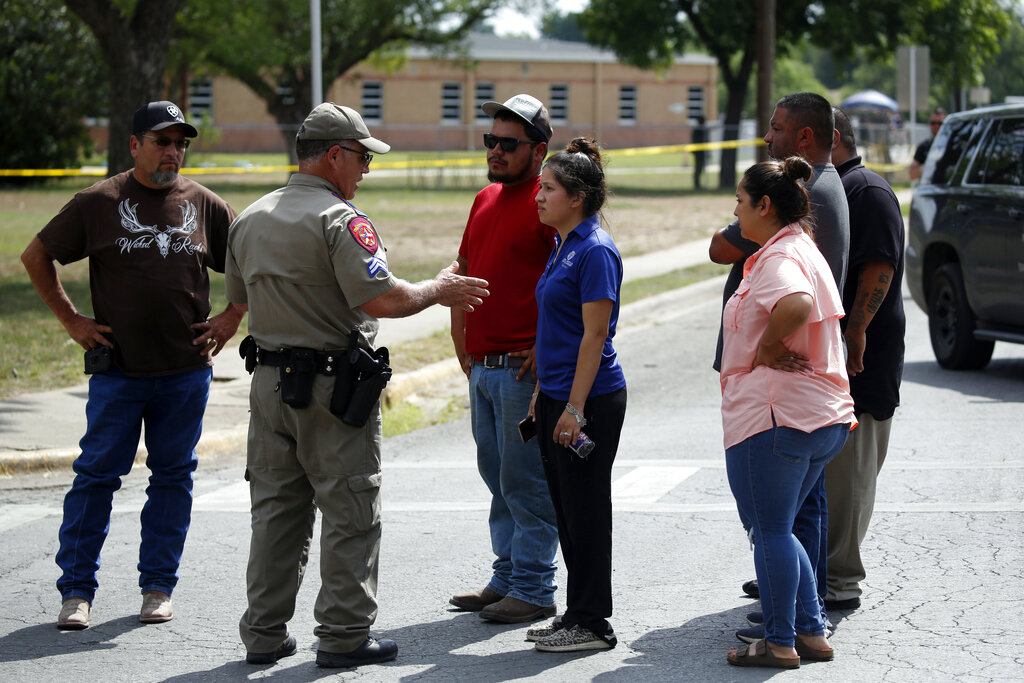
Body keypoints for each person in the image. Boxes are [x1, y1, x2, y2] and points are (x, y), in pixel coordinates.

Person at [225, 102, 489, 669]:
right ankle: (344, 636)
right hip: (331, 390)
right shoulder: (341, 221)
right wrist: (438, 289)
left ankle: (263, 634)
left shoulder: (249, 218)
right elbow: (384, 299)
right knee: (349, 509)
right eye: (363, 156)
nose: (366, 168)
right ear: (336, 155)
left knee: (275, 510)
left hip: (269, 385)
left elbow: (238, 300)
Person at [21, 100, 245, 630]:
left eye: (181, 142)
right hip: (119, 373)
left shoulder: (205, 204)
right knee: (96, 477)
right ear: (134, 145)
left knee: (172, 478)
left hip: (185, 372)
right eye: (162, 141)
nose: (173, 152)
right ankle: (76, 592)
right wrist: (74, 321)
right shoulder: (100, 202)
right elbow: (36, 255)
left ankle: (157, 587)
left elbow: (249, 261)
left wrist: (233, 315)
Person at [715, 92, 850, 639]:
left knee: (770, 530)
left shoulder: (780, 256)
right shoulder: (798, 243)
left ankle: (779, 639)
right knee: (789, 527)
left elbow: (795, 302)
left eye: (740, 203)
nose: (736, 212)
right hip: (819, 417)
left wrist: (769, 346)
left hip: (777, 419)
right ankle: (809, 628)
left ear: (764, 206)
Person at [448, 94, 560, 624]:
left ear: (538, 151)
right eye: (490, 140)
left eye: (507, 143)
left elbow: (573, 279)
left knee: (527, 480)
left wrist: (546, 346)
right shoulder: (484, 197)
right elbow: (465, 266)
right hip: (484, 368)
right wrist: (461, 339)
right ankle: (507, 576)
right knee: (496, 476)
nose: (494, 150)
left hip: (522, 372)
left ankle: (535, 587)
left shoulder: (550, 200)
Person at [526, 137, 627, 653]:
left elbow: (594, 336)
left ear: (577, 197)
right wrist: (543, 393)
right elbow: (556, 330)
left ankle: (593, 623)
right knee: (567, 510)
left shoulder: (595, 251)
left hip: (588, 401)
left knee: (586, 511)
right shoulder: (565, 244)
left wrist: (573, 408)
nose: (538, 197)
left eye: (548, 189)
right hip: (557, 397)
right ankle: (576, 612)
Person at [826, 107, 906, 611]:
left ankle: (839, 579)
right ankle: (806, 567)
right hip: (824, 363)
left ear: (827, 138)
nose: (770, 139)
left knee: (850, 475)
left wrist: (855, 330)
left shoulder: (867, 191)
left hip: (862, 363)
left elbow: (879, 267)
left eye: (780, 130)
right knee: (819, 474)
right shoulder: (823, 189)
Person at [909, 107, 947, 181]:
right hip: (929, 188)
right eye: (933, 123)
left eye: (940, 123)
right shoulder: (923, 147)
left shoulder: (954, 146)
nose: (936, 126)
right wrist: (928, 166)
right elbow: (912, 174)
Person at [691, 116, 708, 190]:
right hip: (699, 153)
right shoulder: (698, 130)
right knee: (698, 168)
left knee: (701, 169)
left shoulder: (702, 129)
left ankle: (699, 184)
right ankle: (697, 185)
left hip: (702, 152)